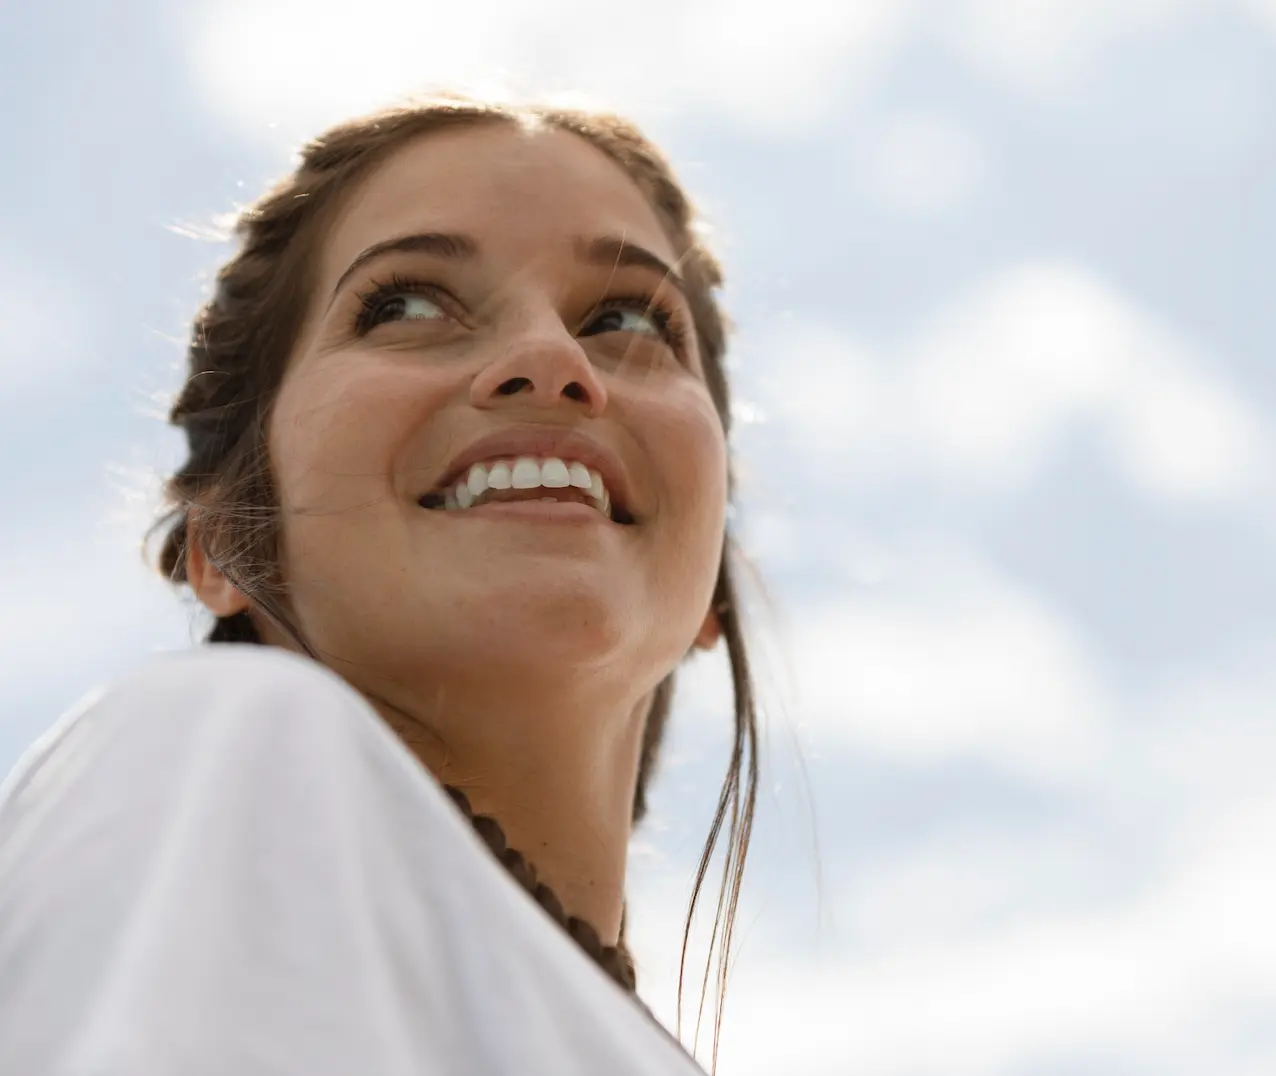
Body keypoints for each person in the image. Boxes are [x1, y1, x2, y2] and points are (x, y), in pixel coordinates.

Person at [0, 91, 764, 1075]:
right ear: (224, 541)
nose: (549, 358)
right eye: (404, 305)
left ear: (714, 589)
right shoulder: (231, 734)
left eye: (625, 318)